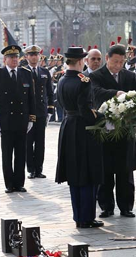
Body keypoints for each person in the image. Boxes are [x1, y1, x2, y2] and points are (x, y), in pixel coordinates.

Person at [90, 44, 136, 218]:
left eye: (121, 62)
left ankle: (126, 206)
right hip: (105, 129)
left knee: (125, 171)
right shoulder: (96, 76)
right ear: (107, 59)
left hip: (125, 129)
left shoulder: (129, 76)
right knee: (105, 170)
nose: (118, 66)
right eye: (115, 62)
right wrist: (116, 93)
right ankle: (106, 206)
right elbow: (96, 93)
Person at [55, 47, 104, 228]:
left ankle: (79, 216)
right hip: (83, 129)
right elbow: (85, 109)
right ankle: (87, 217)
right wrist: (102, 116)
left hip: (68, 126)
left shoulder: (61, 80)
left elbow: (61, 103)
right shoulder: (84, 81)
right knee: (87, 173)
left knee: (75, 175)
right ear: (80, 61)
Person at [0, 45, 36, 193]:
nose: (15, 60)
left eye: (16, 57)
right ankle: (9, 184)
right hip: (6, 122)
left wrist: (31, 119)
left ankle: (19, 183)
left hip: (22, 121)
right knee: (7, 155)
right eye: (11, 57)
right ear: (5, 59)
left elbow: (31, 98)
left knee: (21, 154)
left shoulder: (26, 73)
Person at [24, 45, 54, 179]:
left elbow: (50, 92)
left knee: (40, 142)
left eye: (36, 55)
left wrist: (50, 110)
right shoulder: (22, 72)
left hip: (41, 112)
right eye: (31, 55)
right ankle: (30, 169)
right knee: (28, 142)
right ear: (26, 57)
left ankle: (39, 169)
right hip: (27, 113)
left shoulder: (44, 72)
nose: (34, 57)